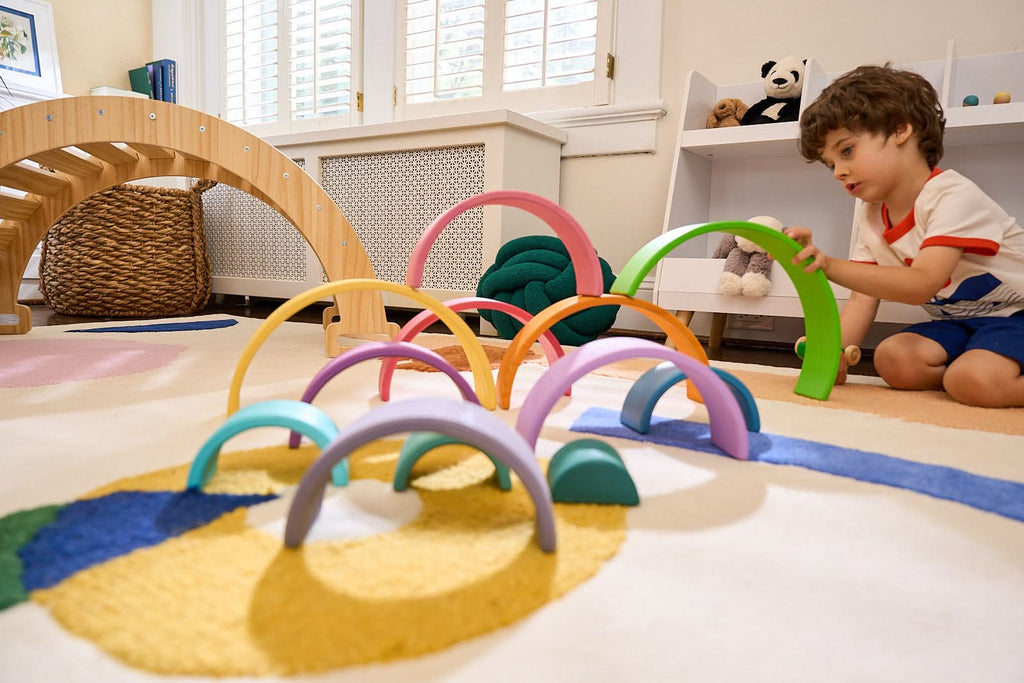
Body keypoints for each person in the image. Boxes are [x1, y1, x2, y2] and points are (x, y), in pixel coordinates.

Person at [786, 64, 1024, 407]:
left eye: (847, 150)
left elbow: (922, 283)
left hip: (1015, 316)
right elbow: (862, 298)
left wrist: (829, 265)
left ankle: (973, 377)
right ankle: (971, 375)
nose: (839, 171)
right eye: (830, 163)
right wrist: (834, 352)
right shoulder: (871, 215)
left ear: (901, 130)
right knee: (892, 360)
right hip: (961, 323)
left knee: (974, 380)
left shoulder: (952, 194)